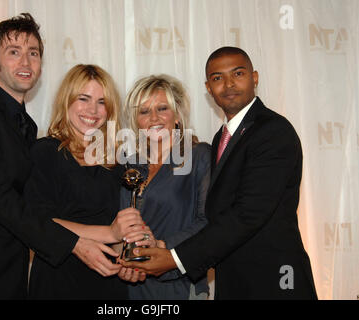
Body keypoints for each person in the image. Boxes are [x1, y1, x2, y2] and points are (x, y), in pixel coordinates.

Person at [0, 13, 109, 299]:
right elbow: (0, 200)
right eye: (13, 52)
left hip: (12, 268)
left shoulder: (26, 127)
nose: (26, 62)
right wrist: (74, 244)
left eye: (33, 53)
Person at [122, 47, 318, 300]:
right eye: (217, 78)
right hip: (234, 279)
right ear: (208, 87)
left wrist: (174, 257)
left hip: (274, 281)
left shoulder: (273, 131)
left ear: (254, 78)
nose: (228, 84)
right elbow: (220, 213)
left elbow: (247, 214)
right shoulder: (223, 138)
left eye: (237, 73)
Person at [25, 64, 148, 299]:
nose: (93, 110)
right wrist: (110, 233)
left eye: (102, 102)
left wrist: (127, 259)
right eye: (84, 98)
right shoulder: (45, 152)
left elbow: (119, 228)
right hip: (57, 281)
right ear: (66, 101)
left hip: (107, 284)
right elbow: (38, 221)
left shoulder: (117, 162)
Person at [118, 74, 211, 300]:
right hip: (130, 284)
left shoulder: (198, 156)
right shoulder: (128, 161)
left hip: (178, 282)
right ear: (135, 120)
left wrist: (162, 245)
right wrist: (120, 258)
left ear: (177, 115)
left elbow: (208, 221)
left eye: (162, 108)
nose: (153, 118)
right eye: (144, 111)